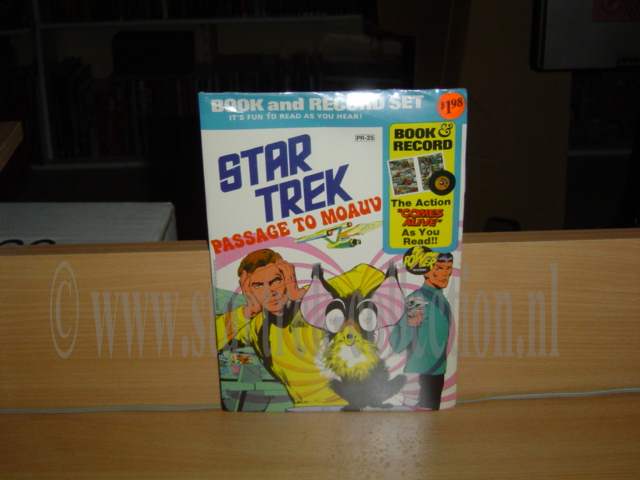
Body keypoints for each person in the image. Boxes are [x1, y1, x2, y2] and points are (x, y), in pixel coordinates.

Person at [216, 248, 344, 408]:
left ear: (287, 277)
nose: (270, 292)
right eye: (258, 285)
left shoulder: (315, 301)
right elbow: (212, 339)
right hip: (305, 410)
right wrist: (248, 311)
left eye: (276, 281)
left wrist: (301, 294)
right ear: (249, 290)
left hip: (352, 406)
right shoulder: (256, 325)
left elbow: (368, 274)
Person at [390, 250, 453, 410]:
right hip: (422, 375)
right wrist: (409, 324)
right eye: (439, 268)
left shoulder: (441, 298)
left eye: (448, 268)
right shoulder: (418, 299)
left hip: (436, 371)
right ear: (426, 271)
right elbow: (398, 344)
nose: (445, 274)